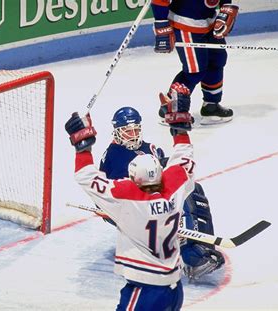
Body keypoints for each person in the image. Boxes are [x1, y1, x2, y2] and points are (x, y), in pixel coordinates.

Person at [65, 83, 196, 310]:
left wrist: (82, 147)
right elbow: (183, 156)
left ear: (134, 177)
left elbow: (86, 176)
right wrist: (180, 125)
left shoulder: (127, 196)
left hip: (146, 289)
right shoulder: (176, 185)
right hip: (175, 288)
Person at [99, 104, 225, 281]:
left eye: (136, 130)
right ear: (117, 131)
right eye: (128, 131)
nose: (133, 135)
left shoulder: (148, 147)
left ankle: (203, 244)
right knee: (178, 201)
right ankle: (191, 256)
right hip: (131, 206)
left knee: (192, 188)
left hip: (151, 197)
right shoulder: (112, 155)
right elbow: (110, 192)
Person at [151, 0, 239, 125]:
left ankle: (211, 106)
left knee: (216, 61)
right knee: (195, 70)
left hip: (210, 23)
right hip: (185, 24)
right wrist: (161, 23)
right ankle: (169, 109)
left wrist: (225, 10)